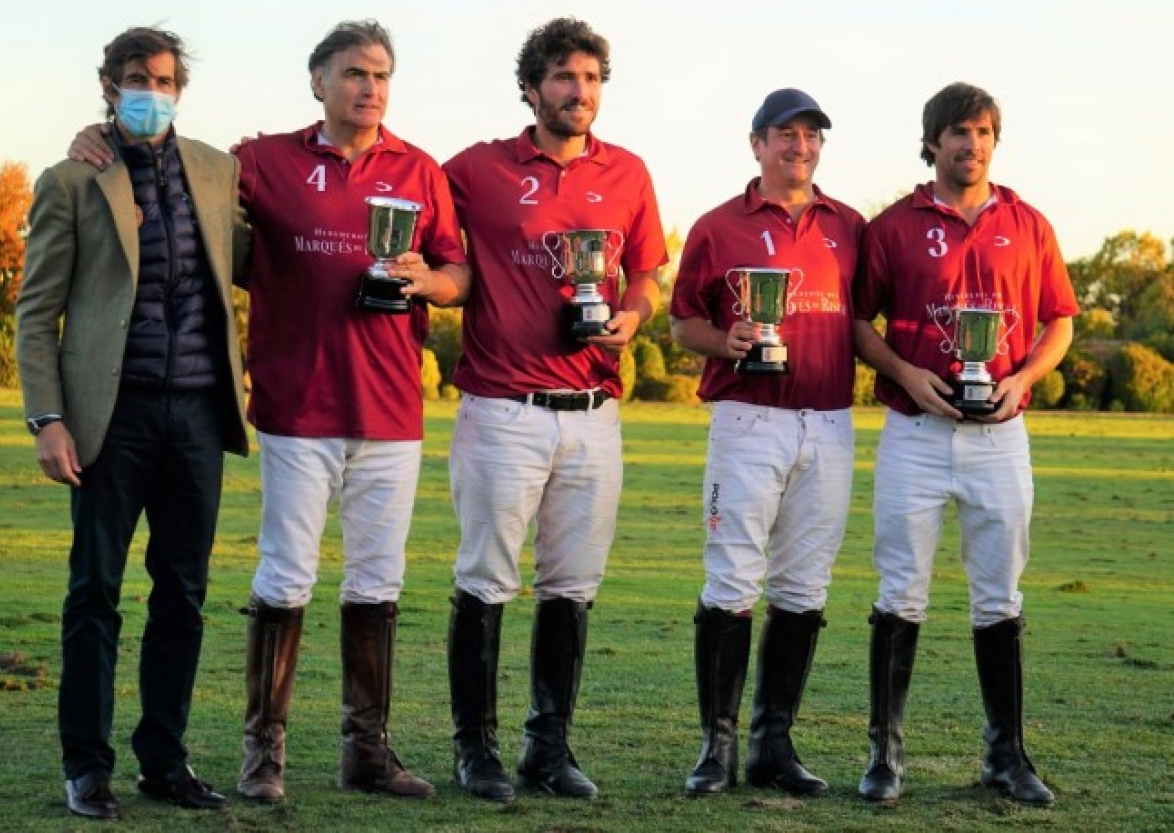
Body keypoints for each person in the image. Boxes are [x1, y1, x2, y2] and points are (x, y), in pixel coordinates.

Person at [67, 19, 469, 803]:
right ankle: (263, 754)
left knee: (378, 580)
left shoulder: (420, 169)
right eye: (354, 73)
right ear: (317, 80)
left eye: (382, 75)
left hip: (392, 409)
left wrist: (427, 279)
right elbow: (174, 174)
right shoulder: (259, 161)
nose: (370, 88)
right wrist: (101, 133)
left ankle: (367, 752)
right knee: (285, 575)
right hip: (293, 404)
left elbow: (459, 274)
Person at [16, 27, 248, 820]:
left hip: (197, 414)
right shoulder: (71, 179)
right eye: (134, 78)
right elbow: (36, 309)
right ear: (109, 86)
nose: (151, 90)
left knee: (183, 594)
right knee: (95, 592)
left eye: (163, 78)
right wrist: (48, 418)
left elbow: (254, 255)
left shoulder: (219, 171)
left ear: (180, 88)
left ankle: (165, 759)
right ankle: (86, 765)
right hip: (109, 418)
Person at [440, 17, 666, 802]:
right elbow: (423, 226)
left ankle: (549, 745)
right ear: (532, 88)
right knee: (487, 577)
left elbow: (645, 276)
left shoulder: (629, 172)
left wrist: (633, 317)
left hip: (595, 409)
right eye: (565, 78)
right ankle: (477, 749)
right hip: (503, 404)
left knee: (571, 582)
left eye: (593, 78)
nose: (581, 92)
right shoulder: (476, 168)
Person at [851, 81, 1078, 806]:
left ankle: (1005, 754)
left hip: (1000, 436)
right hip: (916, 433)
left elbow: (1059, 321)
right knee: (899, 591)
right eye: (957, 132)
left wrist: (1025, 378)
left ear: (993, 141)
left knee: (998, 594)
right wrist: (907, 374)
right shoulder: (891, 227)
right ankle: (885, 755)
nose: (970, 144)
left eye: (982, 132)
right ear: (932, 142)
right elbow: (858, 324)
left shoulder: (1030, 223)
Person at [670, 89, 865, 797]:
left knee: (804, 587)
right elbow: (682, 321)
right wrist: (729, 340)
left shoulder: (849, 225)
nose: (801, 147)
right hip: (748, 417)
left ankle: (772, 744)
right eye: (786, 134)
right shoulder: (718, 226)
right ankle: (715, 748)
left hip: (830, 419)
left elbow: (868, 321)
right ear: (756, 143)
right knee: (731, 580)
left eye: (812, 135)